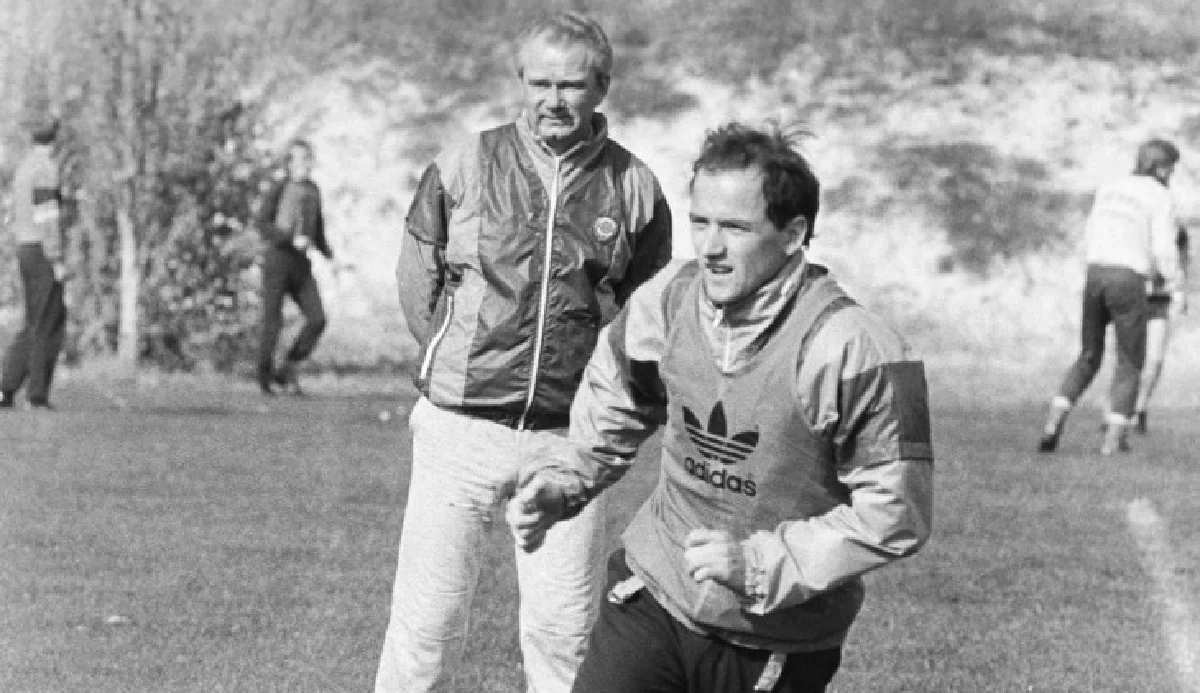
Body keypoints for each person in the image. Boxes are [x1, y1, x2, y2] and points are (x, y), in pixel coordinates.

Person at [505, 122, 934, 693]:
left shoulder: (855, 350)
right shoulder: (669, 299)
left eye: (734, 227)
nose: (709, 247)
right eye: (700, 222)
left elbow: (896, 513)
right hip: (653, 593)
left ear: (793, 233)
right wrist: (566, 480)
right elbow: (617, 399)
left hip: (775, 639)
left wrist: (757, 566)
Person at [375, 12, 673, 693]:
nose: (553, 100)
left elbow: (647, 314)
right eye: (540, 83)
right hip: (459, 429)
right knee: (426, 626)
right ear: (521, 82)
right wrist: (457, 362)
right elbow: (418, 275)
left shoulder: (635, 186)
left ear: (601, 88)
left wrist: (606, 407)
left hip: (570, 441)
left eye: (571, 85)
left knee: (564, 634)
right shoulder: (466, 163)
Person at [1038, 139, 1182, 455]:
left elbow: (1091, 232)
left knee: (1088, 355)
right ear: (1160, 168)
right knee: (1130, 361)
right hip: (1128, 279)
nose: (1171, 175)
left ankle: (1052, 424)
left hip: (1095, 273)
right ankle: (1113, 442)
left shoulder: (1110, 188)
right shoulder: (1160, 196)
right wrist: (1171, 280)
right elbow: (1163, 248)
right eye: (1171, 168)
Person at [255, 139, 332, 396]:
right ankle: (265, 379)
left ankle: (287, 370)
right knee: (272, 322)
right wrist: (289, 239)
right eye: (300, 159)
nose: (306, 164)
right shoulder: (279, 187)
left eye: (308, 159)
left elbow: (317, 229)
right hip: (277, 260)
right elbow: (262, 223)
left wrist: (330, 255)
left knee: (317, 319)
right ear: (289, 163)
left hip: (301, 264)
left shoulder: (313, 190)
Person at [1, 117, 67, 411]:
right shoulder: (45, 169)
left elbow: (13, 213)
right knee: (48, 321)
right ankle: (36, 395)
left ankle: (6, 387)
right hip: (41, 250)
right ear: (56, 139)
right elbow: (47, 217)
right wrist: (57, 258)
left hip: (24, 247)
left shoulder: (24, 167)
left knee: (33, 321)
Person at [1132, 224, 1190, 433]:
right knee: (1129, 357)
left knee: (1155, 359)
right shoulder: (1138, 228)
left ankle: (1140, 408)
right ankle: (1114, 408)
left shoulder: (1176, 231)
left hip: (1159, 303)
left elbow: (1181, 265)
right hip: (1132, 298)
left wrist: (1180, 294)